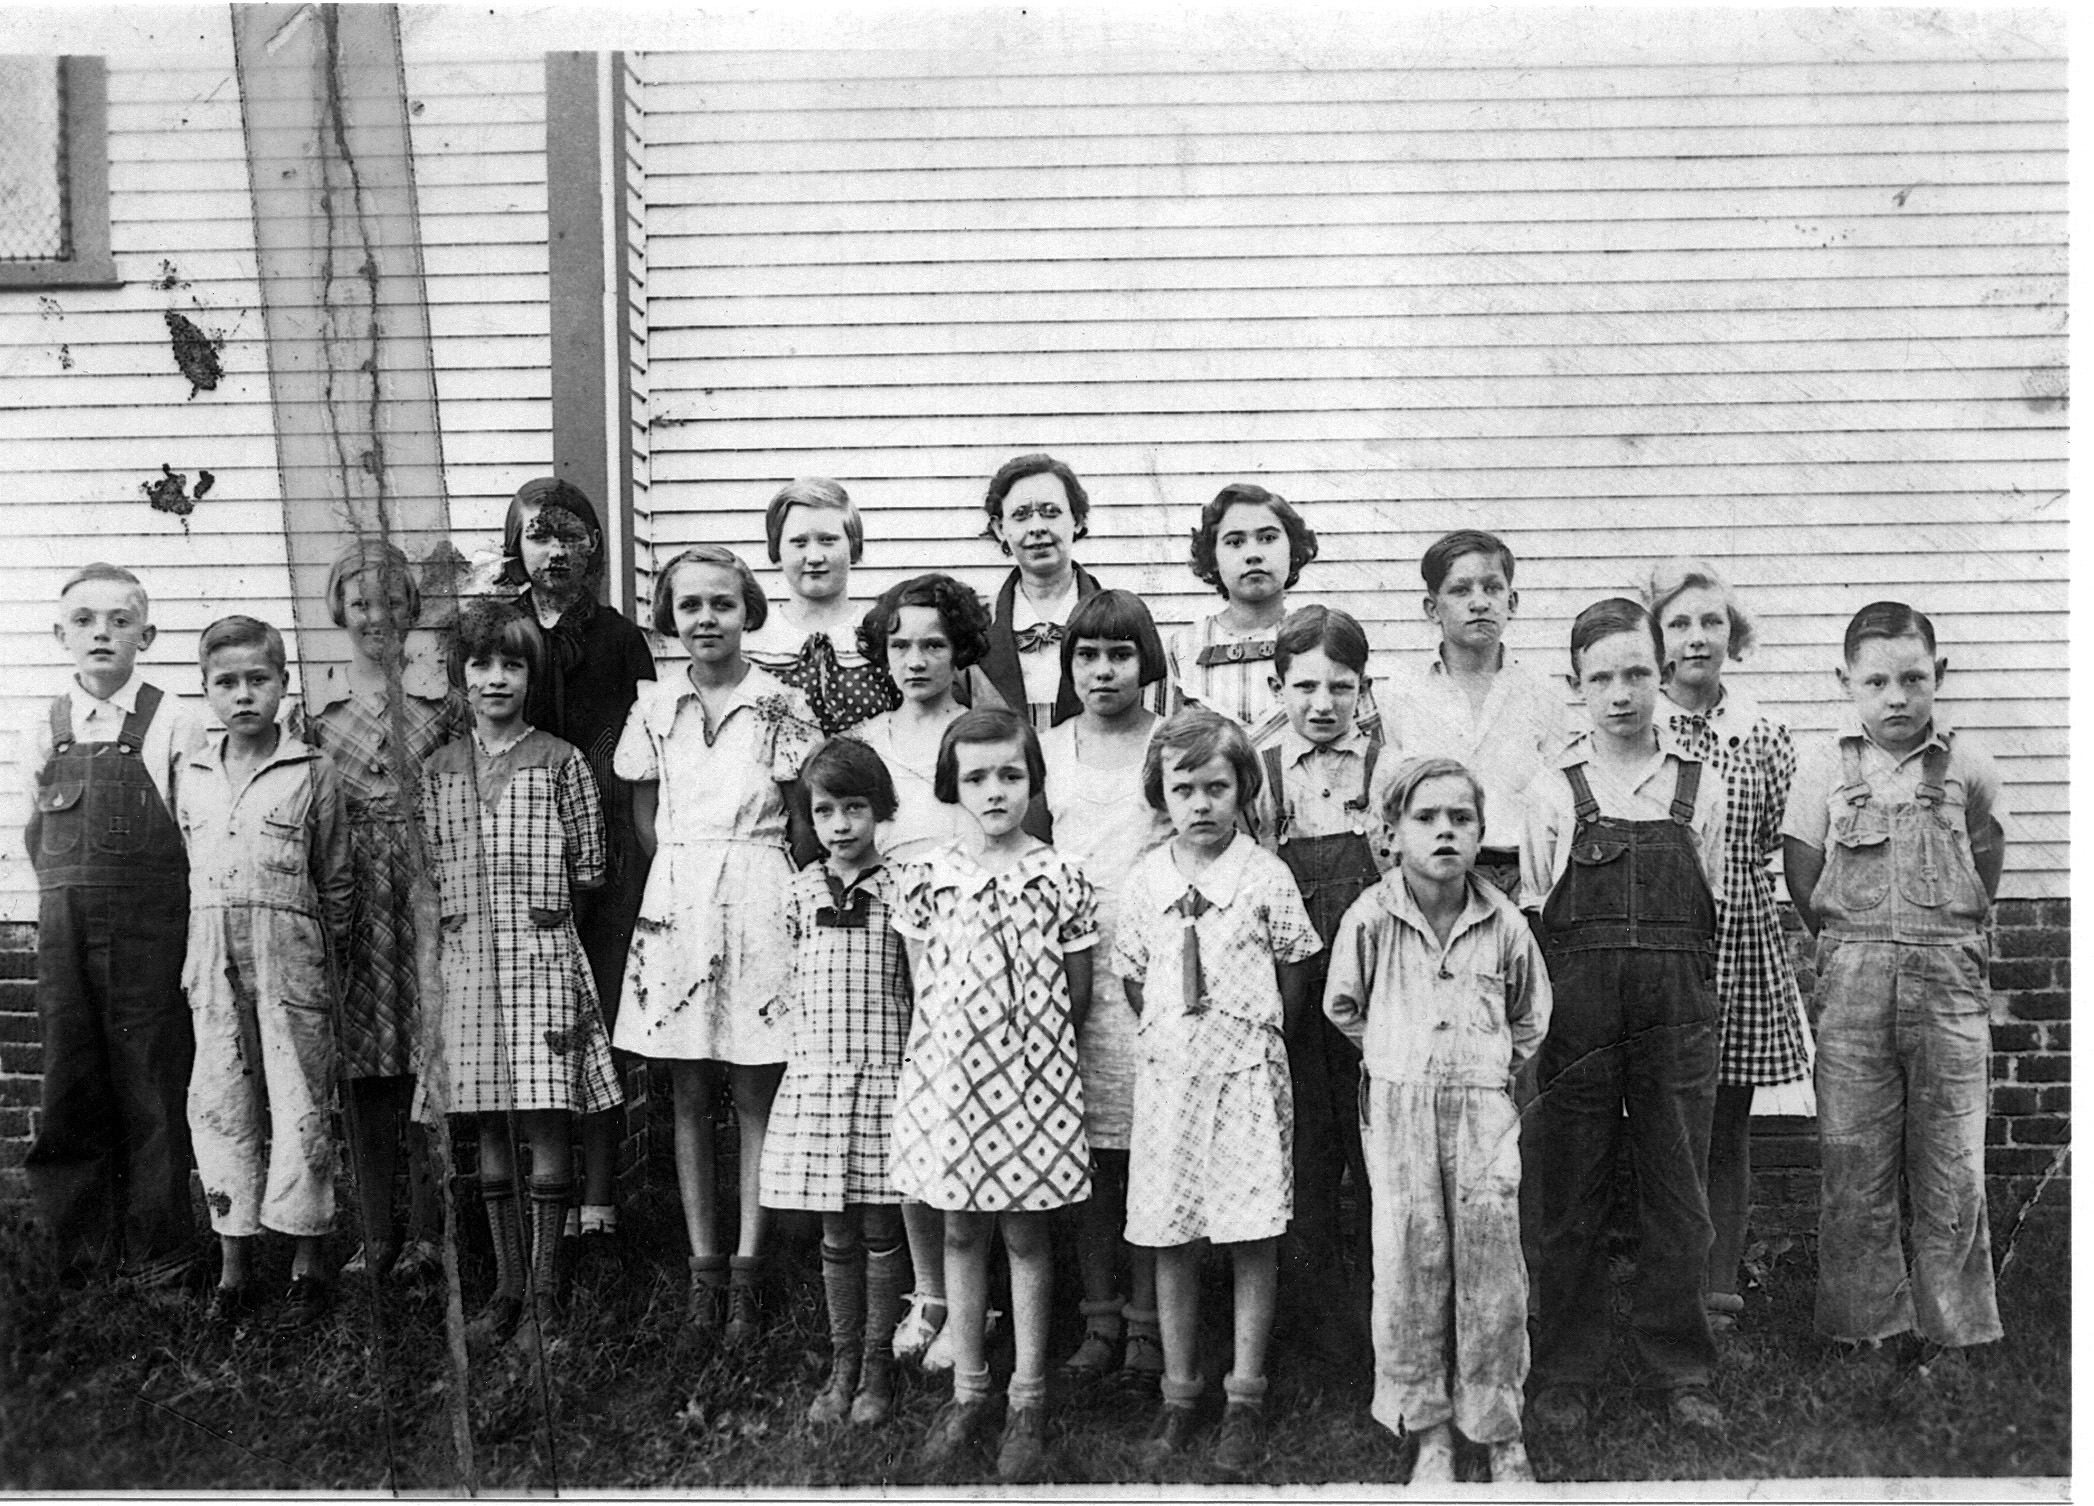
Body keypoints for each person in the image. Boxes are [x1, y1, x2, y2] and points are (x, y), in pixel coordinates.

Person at [1518, 598, 1727, 1435]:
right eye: (1601, 677)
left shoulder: (1700, 785)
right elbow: (1537, 906)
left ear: (1663, 675)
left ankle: (1680, 1367)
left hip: (1675, 1006)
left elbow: (1713, 901)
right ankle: (1566, 1365)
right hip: (1579, 1009)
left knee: (1678, 1189)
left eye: (1638, 673)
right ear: (1576, 685)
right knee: (1569, 1185)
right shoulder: (1553, 787)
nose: (1622, 693)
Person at [1783, 602, 2006, 1359]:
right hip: (1853, 985)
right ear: (1846, 682)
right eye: (1876, 681)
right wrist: (1857, 945)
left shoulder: (1968, 766)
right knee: (1854, 1159)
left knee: (1952, 1160)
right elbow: (1805, 876)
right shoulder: (1824, 766)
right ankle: (1865, 1326)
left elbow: (1985, 866)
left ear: (1938, 676)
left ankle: (1956, 1328)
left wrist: (1938, 934)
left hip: (1948, 982)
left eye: (1914, 678)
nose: (1897, 697)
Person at [612, 547, 823, 1347]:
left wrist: (758, 876)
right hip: (680, 897)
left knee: (754, 1090)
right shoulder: (655, 706)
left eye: (722, 605)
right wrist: (683, 866)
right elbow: (643, 813)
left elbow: (802, 818)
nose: (706, 619)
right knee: (689, 1092)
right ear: (670, 616)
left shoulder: (782, 703)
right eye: (690, 605)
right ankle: (703, 1269)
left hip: (761, 892)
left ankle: (749, 1266)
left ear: (748, 610)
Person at [1323, 757, 1549, 1484]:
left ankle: (1497, 1426)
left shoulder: (1504, 923)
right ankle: (1428, 1430)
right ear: (1391, 834)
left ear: (1482, 833)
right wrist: (1397, 1056)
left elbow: (1531, 1018)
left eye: (1461, 819)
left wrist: (1485, 1069)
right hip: (1397, 1107)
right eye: (1426, 819)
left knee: (1491, 1267)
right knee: (1410, 1261)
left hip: (1483, 1105)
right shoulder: (1370, 918)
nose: (1445, 832)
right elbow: (1344, 1007)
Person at [1112, 709, 1322, 1479]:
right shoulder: (1145, 880)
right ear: (1160, 795)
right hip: (1172, 1077)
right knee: (1171, 1232)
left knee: (1249, 1230)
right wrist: (1182, 1036)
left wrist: (1251, 1036)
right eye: (1183, 789)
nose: (1200, 804)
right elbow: (1135, 979)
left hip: (1246, 1077)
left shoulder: (1264, 875)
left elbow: (1295, 974)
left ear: (1242, 791)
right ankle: (1179, 1389)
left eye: (1216, 787)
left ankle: (1245, 1392)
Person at [891, 708, 1098, 1485]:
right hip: (951, 1079)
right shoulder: (925, 878)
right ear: (952, 786)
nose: (995, 790)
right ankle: (969, 1388)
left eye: (1011, 774)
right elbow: (923, 986)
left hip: (1033, 1080)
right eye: (976, 777)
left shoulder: (1061, 875)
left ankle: (1029, 1396)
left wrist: (1026, 1053)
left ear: (1033, 782)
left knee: (1026, 1235)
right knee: (959, 1233)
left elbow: (1074, 993)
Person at [419, 598, 622, 1350]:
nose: (497, 678)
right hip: (470, 966)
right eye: (481, 665)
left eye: (512, 664)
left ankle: (546, 1293)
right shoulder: (439, 770)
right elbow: (430, 872)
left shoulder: (560, 760)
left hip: (539, 963)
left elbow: (593, 867)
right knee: (491, 1127)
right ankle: (505, 1288)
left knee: (544, 1119)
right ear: (459, 676)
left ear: (531, 676)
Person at [24, 563, 207, 1289]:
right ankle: (83, 1256)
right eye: (86, 620)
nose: (103, 632)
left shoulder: (174, 719)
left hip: (150, 930)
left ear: (147, 634)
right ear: (61, 634)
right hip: (63, 930)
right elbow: (29, 836)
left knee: (154, 1086)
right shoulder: (43, 725)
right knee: (71, 1081)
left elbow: (195, 832)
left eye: (120, 620)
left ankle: (162, 1257)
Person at [1641, 557, 1811, 1333]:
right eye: (1679, 623)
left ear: (1732, 634)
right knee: (1661, 1123)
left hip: (1740, 939)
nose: (1697, 637)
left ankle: (1717, 1293)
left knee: (1727, 1127)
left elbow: (1772, 840)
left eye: (1711, 621)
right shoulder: (1637, 723)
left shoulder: (1765, 736)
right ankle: (1660, 1287)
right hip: (1660, 940)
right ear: (1657, 640)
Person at [177, 616, 354, 1331]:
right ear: (208, 692)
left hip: (291, 950)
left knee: (300, 1098)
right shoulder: (191, 771)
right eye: (227, 683)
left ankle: (309, 1261)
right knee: (221, 1095)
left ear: (283, 685)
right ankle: (234, 1263)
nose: (243, 695)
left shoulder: (311, 772)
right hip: (212, 948)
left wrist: (320, 956)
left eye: (259, 680)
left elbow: (336, 879)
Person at [499, 478, 656, 1252]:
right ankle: (540, 1189)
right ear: (516, 548)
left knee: (597, 1008)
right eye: (538, 535)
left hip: (604, 852)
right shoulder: (501, 637)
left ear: (593, 547)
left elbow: (637, 740)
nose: (554, 551)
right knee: (536, 1018)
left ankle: (600, 1190)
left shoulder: (621, 639)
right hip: (520, 851)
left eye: (570, 535)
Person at [304, 540, 467, 1283]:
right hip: (356, 903)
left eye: (392, 601)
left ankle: (431, 1232)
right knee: (367, 1070)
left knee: (431, 1064)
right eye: (362, 602)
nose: (378, 615)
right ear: (340, 610)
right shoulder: (318, 717)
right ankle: (375, 1232)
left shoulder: (443, 707)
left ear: (412, 610)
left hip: (428, 897)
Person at [1247, 604, 1396, 1380]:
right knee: (1306, 1163)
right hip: (1295, 997)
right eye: (1305, 686)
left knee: (1377, 1166)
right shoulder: (1263, 775)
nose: (1322, 704)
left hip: (1376, 998)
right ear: (1279, 686)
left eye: (1341, 687)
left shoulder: (1388, 771)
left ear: (1362, 688)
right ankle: (1316, 1335)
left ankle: (1384, 1328)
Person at [851, 571, 996, 1369]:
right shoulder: (870, 739)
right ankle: (929, 1292)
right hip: (889, 933)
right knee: (909, 1116)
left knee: (972, 1106)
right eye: (900, 644)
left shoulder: (982, 733)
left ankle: (981, 1298)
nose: (915, 658)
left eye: (933, 644)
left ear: (960, 651)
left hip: (969, 940)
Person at [1037, 589, 1174, 1395]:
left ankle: (1153, 1326)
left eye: (1120, 654)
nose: (1103, 669)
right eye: (1087, 655)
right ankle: (1098, 1313)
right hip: (1072, 971)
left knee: (1151, 1148)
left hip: (1153, 971)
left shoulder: (1172, 744)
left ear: (1146, 662)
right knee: (1086, 1152)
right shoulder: (1049, 751)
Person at [758, 738, 913, 1427]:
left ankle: (878, 1362)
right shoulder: (796, 891)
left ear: (880, 810)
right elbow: (784, 981)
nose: (842, 825)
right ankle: (842, 1358)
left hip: (885, 1077)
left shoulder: (904, 891)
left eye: (855, 808)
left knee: (882, 1226)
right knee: (835, 1231)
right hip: (820, 1081)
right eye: (826, 811)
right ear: (809, 819)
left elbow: (916, 984)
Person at [1382, 530, 1568, 898]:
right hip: (1433, 880)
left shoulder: (1542, 693)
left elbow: (1561, 801)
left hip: (1524, 879)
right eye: (1461, 590)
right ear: (1432, 608)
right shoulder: (1402, 694)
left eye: (1492, 588)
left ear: (1512, 602)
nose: (1479, 602)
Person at [968, 453, 1165, 729]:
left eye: (1051, 512)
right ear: (1000, 528)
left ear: (1078, 520)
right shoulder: (977, 625)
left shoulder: (1121, 617)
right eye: (1020, 515)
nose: (1037, 528)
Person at [1167, 483, 1370, 742]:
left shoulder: (1327, 635)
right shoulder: (1183, 647)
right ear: (1214, 556)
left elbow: (1365, 741)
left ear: (1292, 548)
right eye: (1235, 542)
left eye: (1267, 539)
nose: (1253, 554)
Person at [743, 477, 899, 735]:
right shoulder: (752, 640)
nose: (814, 557)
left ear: (853, 545)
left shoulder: (883, 631)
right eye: (799, 542)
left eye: (828, 540)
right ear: (776, 549)